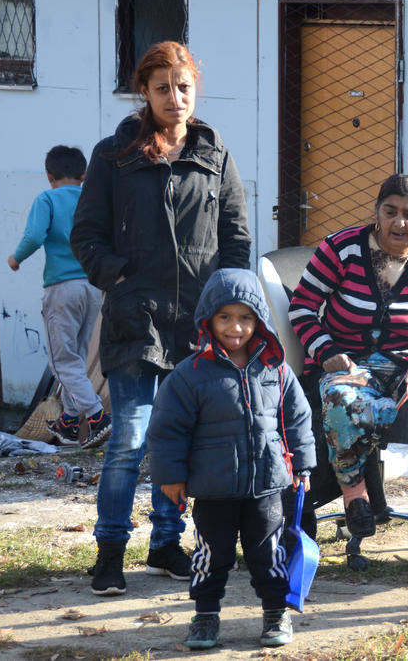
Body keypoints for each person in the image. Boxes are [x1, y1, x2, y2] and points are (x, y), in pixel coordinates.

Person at [70, 41, 251, 597]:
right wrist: (118, 276)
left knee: (184, 441)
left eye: (184, 87)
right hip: (136, 318)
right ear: (143, 93)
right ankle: (110, 552)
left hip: (198, 323)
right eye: (162, 88)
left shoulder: (214, 153)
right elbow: (86, 235)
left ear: (195, 89)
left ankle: (166, 545)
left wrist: (226, 305)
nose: (175, 98)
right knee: (130, 436)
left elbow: (236, 238)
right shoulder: (114, 155)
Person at [288, 173, 408, 553]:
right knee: (341, 400)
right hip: (351, 365)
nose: (399, 223)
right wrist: (326, 354)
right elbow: (302, 307)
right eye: (389, 212)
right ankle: (356, 498)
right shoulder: (341, 249)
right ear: (376, 211)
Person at [148, 268, 315, 649]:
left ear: (259, 321)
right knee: (212, 555)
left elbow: (298, 419)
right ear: (209, 319)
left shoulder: (277, 370)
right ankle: (205, 616)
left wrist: (302, 466)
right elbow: (167, 429)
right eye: (225, 317)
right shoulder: (190, 375)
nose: (235, 327)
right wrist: (170, 476)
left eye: (245, 317)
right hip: (213, 489)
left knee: (269, 553)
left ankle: (276, 612)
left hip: (267, 487)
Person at [8, 145, 112, 449]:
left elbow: (34, 236)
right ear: (84, 175)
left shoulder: (47, 198)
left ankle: (96, 416)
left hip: (62, 289)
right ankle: (68, 421)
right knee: (77, 357)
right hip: (92, 288)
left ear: (49, 174)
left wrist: (16, 259)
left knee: (62, 363)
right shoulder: (92, 200)